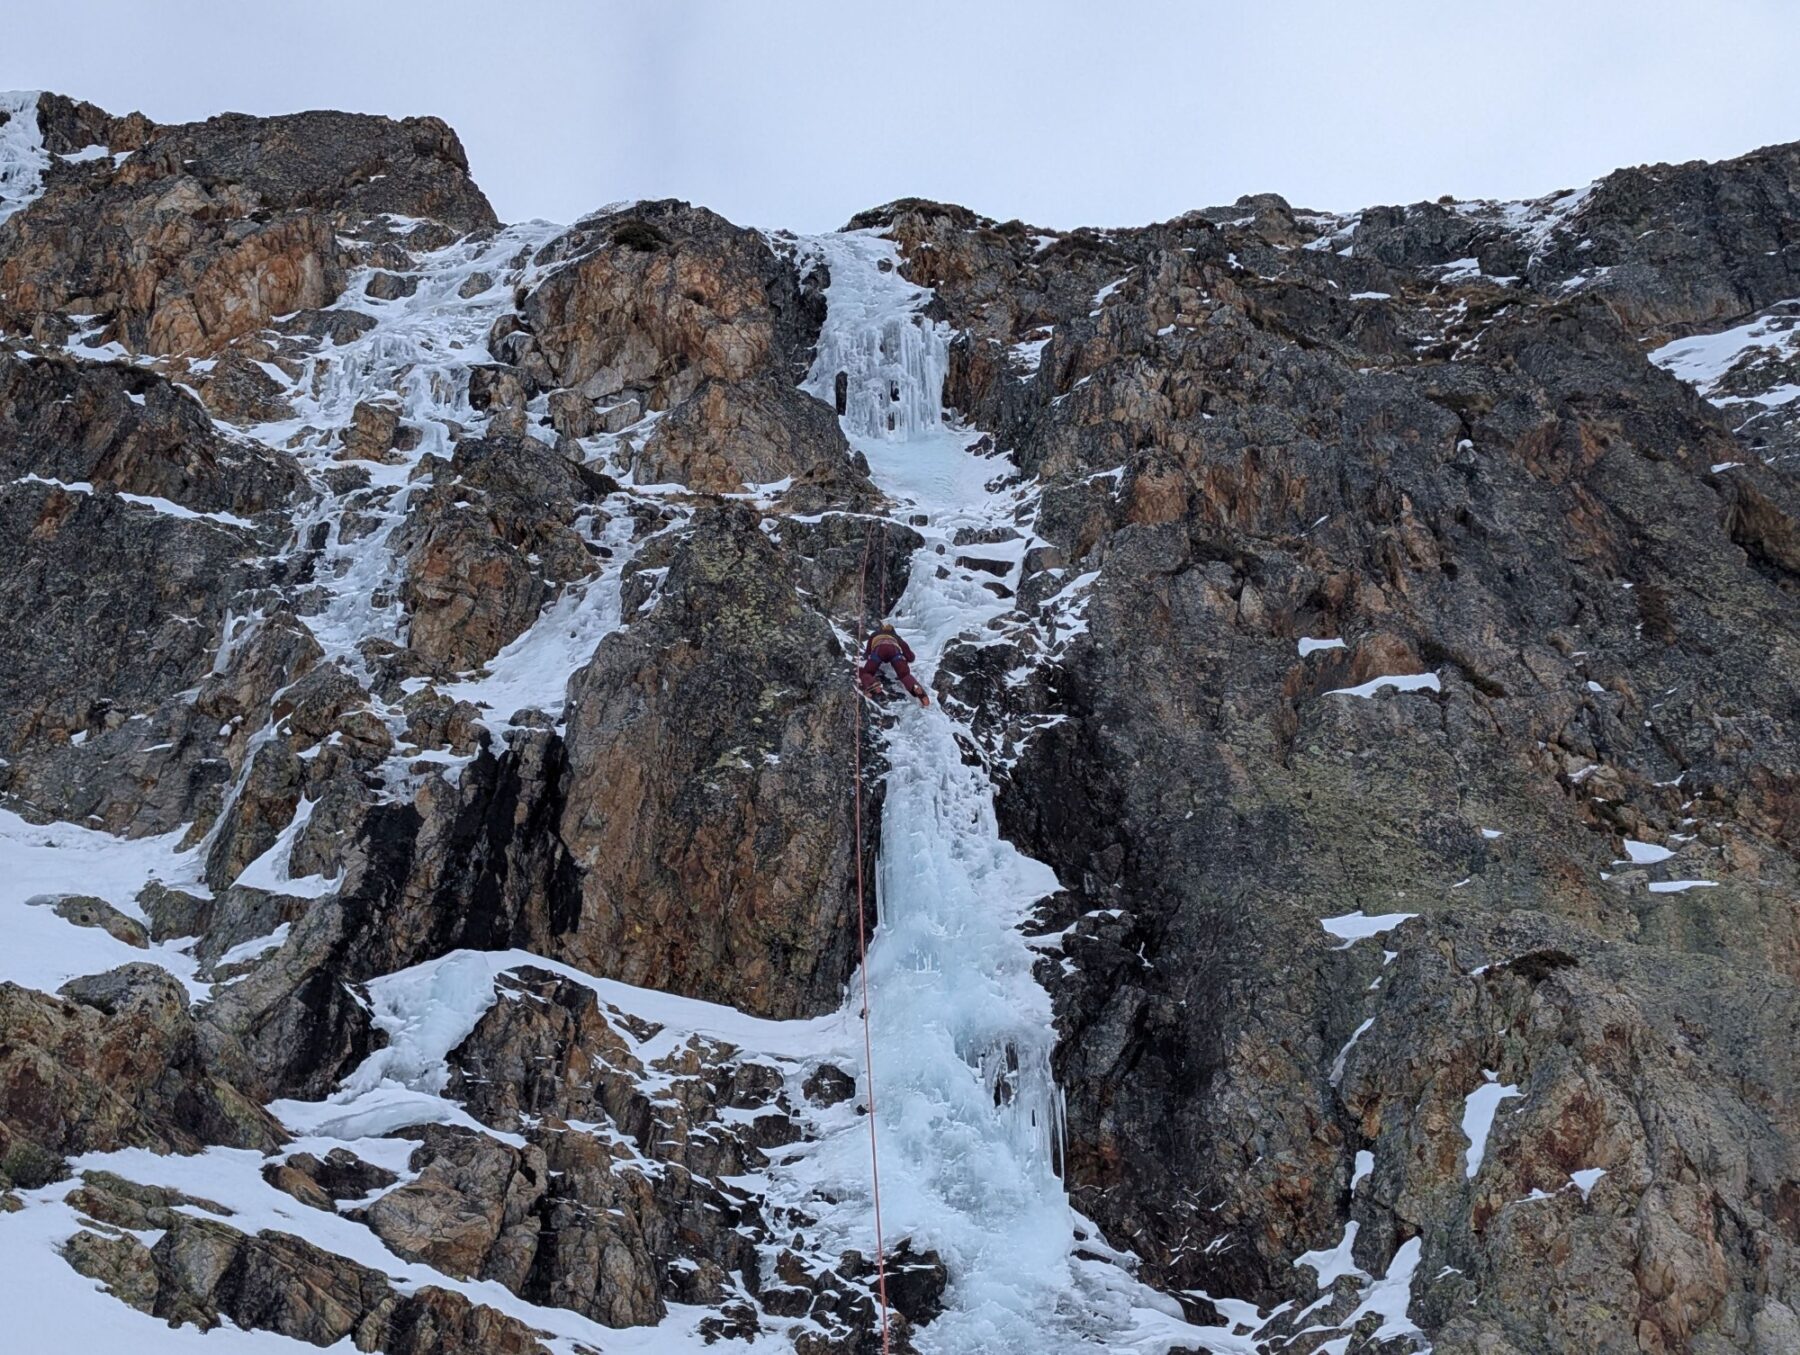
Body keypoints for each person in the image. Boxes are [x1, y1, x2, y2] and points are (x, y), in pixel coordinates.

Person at [858, 621, 930, 707]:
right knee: (905, 675)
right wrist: (904, 658)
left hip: (878, 650)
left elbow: (867, 653)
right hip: (895, 652)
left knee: (867, 672)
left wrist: (867, 658)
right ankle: (916, 689)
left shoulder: (874, 634)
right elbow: (911, 657)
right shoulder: (896, 637)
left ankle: (872, 684)